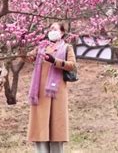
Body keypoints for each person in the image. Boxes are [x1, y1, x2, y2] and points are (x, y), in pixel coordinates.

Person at [25, 22, 77, 153]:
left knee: (56, 126)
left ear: (62, 32)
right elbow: (28, 57)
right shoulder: (42, 46)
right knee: (41, 125)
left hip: (57, 91)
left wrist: (54, 61)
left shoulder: (66, 47)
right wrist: (23, 43)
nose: (51, 31)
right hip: (40, 92)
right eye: (50, 29)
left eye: (55, 29)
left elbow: (72, 65)